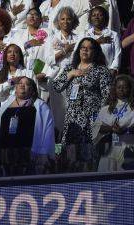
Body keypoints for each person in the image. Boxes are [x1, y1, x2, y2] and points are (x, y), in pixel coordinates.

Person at [52, 37, 112, 172]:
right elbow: (56, 86)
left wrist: (99, 117)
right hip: (72, 119)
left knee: (89, 157)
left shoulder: (101, 70)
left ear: (95, 52)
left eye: (89, 48)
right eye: (82, 47)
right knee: (70, 157)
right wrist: (71, 74)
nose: (85, 50)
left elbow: (107, 96)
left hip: (91, 118)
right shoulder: (70, 68)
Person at [0, 76, 55, 176]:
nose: (22, 85)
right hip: (5, 155)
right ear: (15, 89)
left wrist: (44, 153)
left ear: (32, 90)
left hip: (29, 157)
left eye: (27, 84)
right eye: (20, 83)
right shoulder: (6, 106)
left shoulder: (41, 106)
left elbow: (48, 131)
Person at [95, 75, 134, 172]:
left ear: (130, 89)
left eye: (125, 87)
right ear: (114, 89)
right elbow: (97, 127)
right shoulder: (106, 108)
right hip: (110, 151)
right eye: (119, 87)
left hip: (130, 150)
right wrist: (111, 129)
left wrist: (127, 130)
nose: (121, 90)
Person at [45, 6, 79, 138]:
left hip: (74, 80)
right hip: (56, 79)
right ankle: (58, 147)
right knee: (58, 114)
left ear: (73, 21)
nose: (65, 21)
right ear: (58, 22)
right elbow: (49, 60)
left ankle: (71, 146)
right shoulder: (52, 39)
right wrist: (65, 51)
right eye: (62, 19)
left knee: (73, 111)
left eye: (69, 19)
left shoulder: (79, 37)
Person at [10, 8, 50, 100]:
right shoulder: (18, 35)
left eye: (35, 14)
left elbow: (51, 56)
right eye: (29, 14)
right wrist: (27, 45)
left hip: (41, 79)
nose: (32, 16)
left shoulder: (48, 33)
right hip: (22, 78)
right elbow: (12, 54)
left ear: (41, 19)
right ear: (26, 19)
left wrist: (45, 73)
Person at [82, 6, 121, 77]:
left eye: (100, 15)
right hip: (87, 73)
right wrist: (97, 42)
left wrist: (113, 69)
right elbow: (80, 50)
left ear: (105, 18)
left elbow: (118, 54)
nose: (96, 17)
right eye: (94, 15)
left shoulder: (113, 34)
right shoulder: (84, 34)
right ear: (90, 19)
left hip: (107, 72)